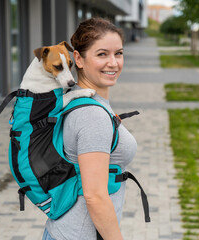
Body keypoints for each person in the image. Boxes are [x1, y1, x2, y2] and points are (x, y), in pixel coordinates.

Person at [42, 18, 137, 240]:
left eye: (119, 53)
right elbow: (94, 196)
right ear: (78, 59)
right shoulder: (91, 115)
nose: (113, 63)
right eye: (102, 54)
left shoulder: (82, 100)